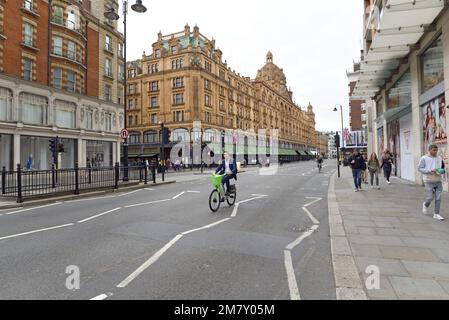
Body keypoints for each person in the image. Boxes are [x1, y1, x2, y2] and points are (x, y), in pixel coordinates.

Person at [419, 144, 445, 221]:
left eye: (436, 150)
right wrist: (430, 171)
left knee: (438, 197)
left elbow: (442, 167)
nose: (435, 152)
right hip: (428, 180)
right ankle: (425, 204)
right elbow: (420, 168)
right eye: (433, 150)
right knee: (430, 197)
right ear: (429, 150)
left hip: (438, 180)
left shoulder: (439, 158)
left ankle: (436, 214)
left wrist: (442, 171)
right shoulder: (424, 158)